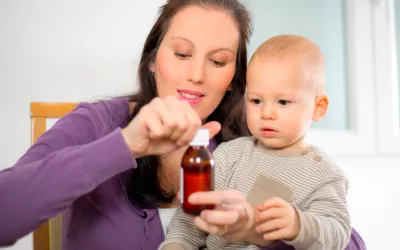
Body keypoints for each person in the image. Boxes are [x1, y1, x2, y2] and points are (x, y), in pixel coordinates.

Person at [0, 1, 365, 249]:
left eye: (218, 61)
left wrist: (261, 231)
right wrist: (124, 145)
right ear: (152, 60)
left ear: (235, 79)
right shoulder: (97, 123)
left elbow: (348, 240)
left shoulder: (254, 143)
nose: (196, 75)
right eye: (182, 54)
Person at [159, 35, 365, 250]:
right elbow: (190, 220)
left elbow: (338, 232)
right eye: (256, 101)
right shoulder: (229, 154)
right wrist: (175, 245)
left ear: (318, 107)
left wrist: (298, 225)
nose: (266, 113)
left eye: (283, 102)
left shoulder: (324, 175)